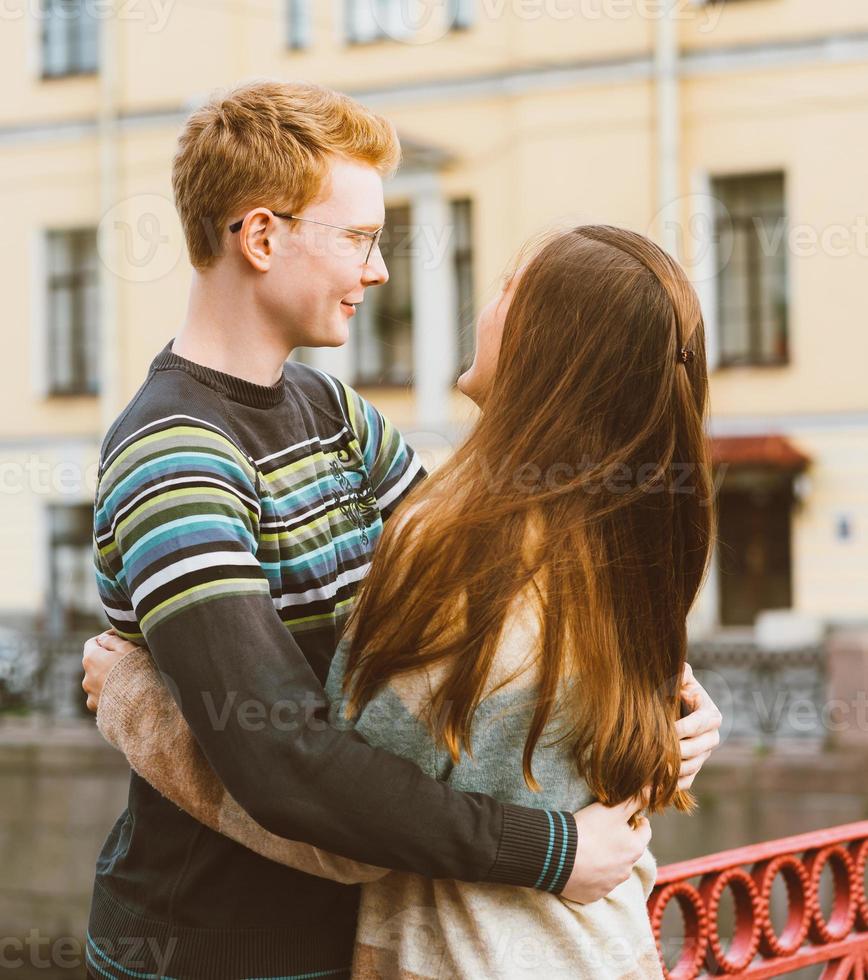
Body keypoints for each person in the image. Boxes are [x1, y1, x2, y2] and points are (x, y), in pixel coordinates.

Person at [83, 204, 722, 976]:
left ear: (547, 345)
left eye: (506, 290)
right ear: (256, 237)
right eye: (358, 236)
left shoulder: (464, 550)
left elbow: (337, 813)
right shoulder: (618, 535)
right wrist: (676, 717)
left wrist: (132, 700)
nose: (379, 269)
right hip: (604, 949)